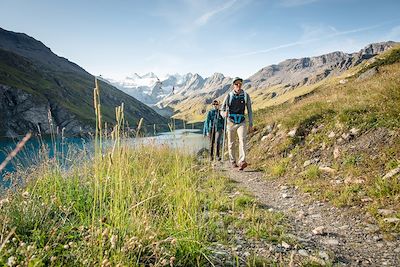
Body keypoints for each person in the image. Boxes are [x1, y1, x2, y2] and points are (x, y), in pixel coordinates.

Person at [220, 77, 253, 170]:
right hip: (230, 122)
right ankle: (232, 160)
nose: (238, 86)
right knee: (231, 143)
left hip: (241, 122)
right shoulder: (228, 96)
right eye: (236, 84)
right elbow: (222, 110)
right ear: (233, 85)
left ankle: (242, 161)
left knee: (242, 140)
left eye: (240, 84)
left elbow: (250, 110)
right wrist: (224, 114)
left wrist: (251, 123)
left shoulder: (246, 96)